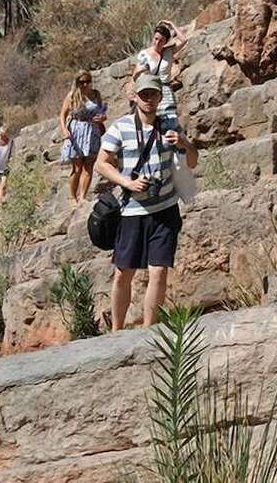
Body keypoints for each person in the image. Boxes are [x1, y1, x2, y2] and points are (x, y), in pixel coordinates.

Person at [94, 74, 197, 330]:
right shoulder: (120, 127)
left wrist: (184, 142)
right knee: (123, 274)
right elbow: (101, 164)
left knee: (159, 272)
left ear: (161, 97)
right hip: (132, 211)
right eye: (144, 94)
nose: (149, 99)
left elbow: (193, 161)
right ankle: (117, 330)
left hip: (165, 209)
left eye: (153, 94)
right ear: (135, 97)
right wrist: (127, 183)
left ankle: (149, 330)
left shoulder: (171, 125)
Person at [59, 70, 107, 204]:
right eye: (82, 82)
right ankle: (73, 197)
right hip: (76, 132)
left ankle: (82, 196)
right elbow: (62, 115)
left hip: (92, 131)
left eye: (87, 81)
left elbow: (101, 111)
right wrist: (64, 130)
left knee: (89, 166)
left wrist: (103, 118)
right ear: (77, 83)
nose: (85, 84)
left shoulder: (96, 94)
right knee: (77, 167)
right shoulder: (73, 96)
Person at [133, 20, 188, 133]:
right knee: (152, 121)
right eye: (155, 38)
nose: (157, 42)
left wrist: (171, 24)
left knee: (170, 119)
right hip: (151, 89)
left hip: (165, 89)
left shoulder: (169, 51)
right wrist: (141, 71)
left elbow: (183, 39)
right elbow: (135, 76)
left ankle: (174, 146)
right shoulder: (144, 54)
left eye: (161, 40)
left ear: (165, 42)